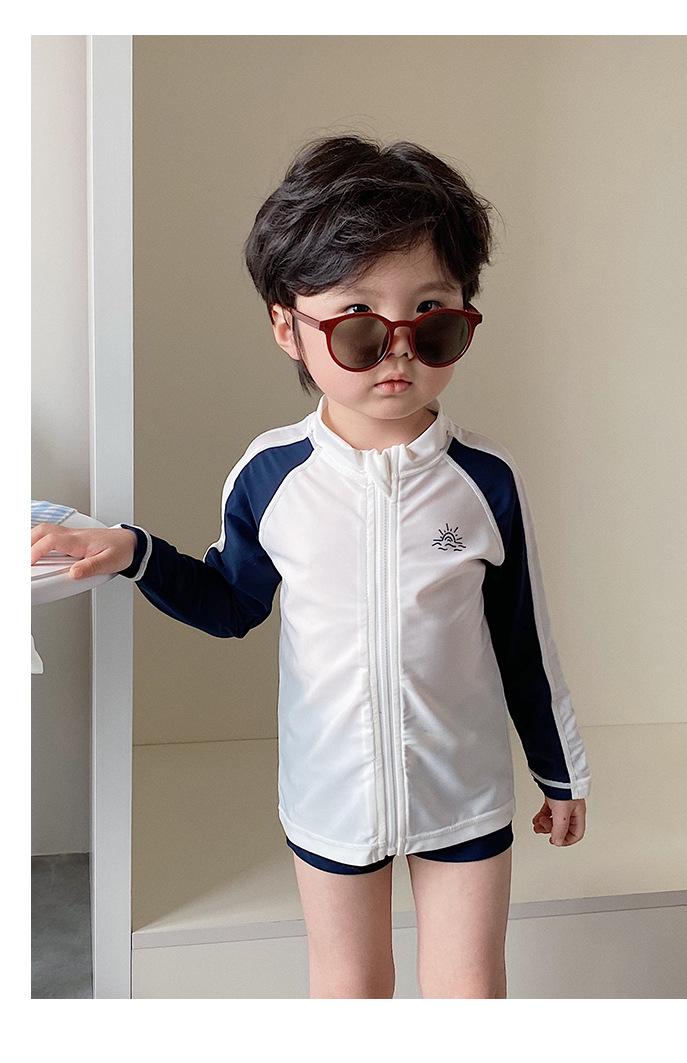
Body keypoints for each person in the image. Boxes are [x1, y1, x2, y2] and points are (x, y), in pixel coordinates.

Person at [30, 135, 591, 999]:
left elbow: (526, 642)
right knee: (348, 992)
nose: (399, 350)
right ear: (287, 326)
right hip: (332, 792)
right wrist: (136, 553)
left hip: (464, 790)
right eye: (360, 323)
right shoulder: (271, 476)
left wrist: (559, 771)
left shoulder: (485, 480)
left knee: (472, 995)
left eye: (432, 319)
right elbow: (230, 602)